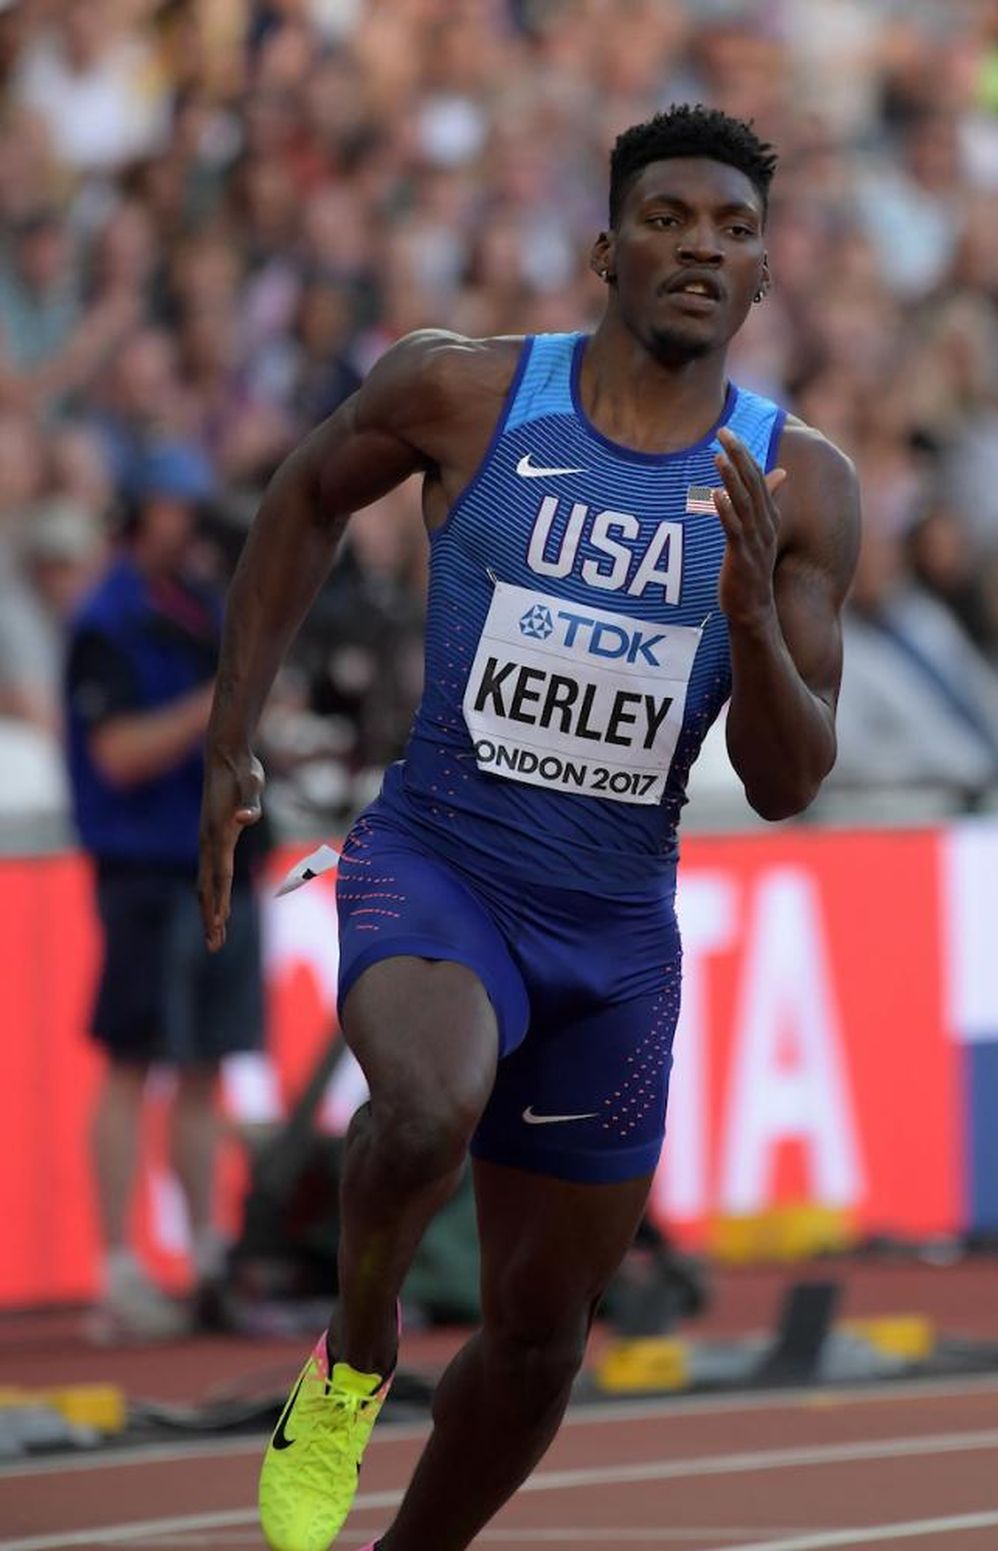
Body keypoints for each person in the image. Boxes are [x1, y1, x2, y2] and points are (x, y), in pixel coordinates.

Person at [198, 104, 860, 1551]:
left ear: (762, 277)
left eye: (736, 230)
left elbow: (791, 772)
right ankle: (355, 1354)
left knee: (544, 1337)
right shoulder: (468, 393)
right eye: (673, 218)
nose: (703, 246)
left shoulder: (801, 485)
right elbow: (305, 497)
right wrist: (230, 729)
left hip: (614, 936)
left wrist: (750, 618)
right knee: (427, 1107)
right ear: (604, 249)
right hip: (441, 860)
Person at [65, 442, 265, 1342]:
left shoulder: (200, 607)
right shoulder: (106, 619)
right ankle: (117, 1264)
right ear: (136, 517)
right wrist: (219, 704)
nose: (189, 525)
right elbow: (117, 752)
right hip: (148, 868)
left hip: (215, 857)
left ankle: (209, 1254)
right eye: (172, 508)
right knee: (131, 1059)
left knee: (205, 1065)